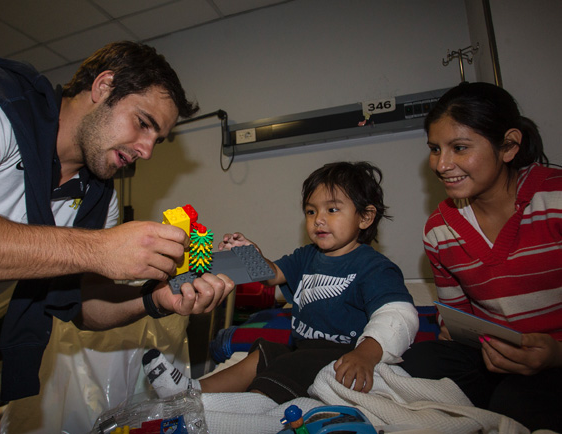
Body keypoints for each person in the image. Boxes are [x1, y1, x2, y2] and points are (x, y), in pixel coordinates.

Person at [0, 41, 234, 433]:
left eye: (157, 139)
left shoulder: (98, 197)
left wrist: (154, 299)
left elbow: (80, 307)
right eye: (143, 123)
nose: (147, 151)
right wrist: (96, 249)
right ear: (103, 87)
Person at [143, 161, 418, 403]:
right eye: (311, 212)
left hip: (341, 356)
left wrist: (366, 355)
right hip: (301, 347)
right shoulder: (307, 256)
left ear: (366, 217)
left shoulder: (374, 267)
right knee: (263, 353)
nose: (318, 220)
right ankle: (192, 391)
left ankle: (239, 410)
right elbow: (272, 274)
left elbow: (397, 315)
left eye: (332, 210)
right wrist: (248, 254)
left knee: (287, 368)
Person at [398, 82, 562, 432]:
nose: (442, 165)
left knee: (516, 405)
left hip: (557, 357)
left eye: (459, 148)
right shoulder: (439, 230)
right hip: (496, 358)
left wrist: (556, 354)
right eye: (435, 149)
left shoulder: (555, 200)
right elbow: (457, 320)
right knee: (416, 362)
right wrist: (467, 337)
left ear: (509, 146)